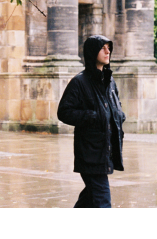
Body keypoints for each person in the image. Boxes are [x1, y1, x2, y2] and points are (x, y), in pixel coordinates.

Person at [57, 35, 126, 208]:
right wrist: (90, 116)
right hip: (90, 153)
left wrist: (119, 115)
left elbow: (115, 106)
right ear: (92, 52)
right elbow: (64, 112)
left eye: (108, 47)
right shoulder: (79, 82)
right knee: (103, 202)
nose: (107, 51)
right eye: (102, 48)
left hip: (105, 151)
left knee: (89, 198)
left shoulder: (110, 81)